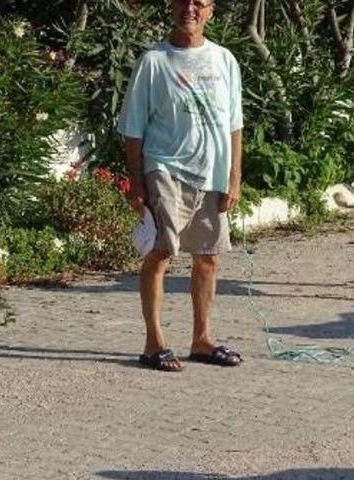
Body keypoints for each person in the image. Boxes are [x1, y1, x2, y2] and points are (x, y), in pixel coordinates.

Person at [118, 0, 243, 371]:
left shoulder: (224, 60)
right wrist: (136, 181)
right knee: (161, 251)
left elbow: (235, 123)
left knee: (208, 257)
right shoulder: (153, 62)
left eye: (199, 3)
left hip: (211, 173)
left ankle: (202, 340)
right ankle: (153, 342)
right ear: (171, 6)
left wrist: (234, 177)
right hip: (165, 169)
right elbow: (133, 128)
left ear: (211, 10)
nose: (190, 9)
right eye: (183, 1)